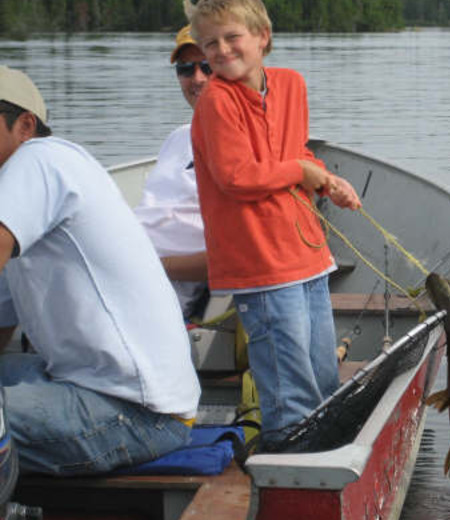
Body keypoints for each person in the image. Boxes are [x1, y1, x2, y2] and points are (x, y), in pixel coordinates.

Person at [0, 66, 201, 475]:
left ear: (24, 125)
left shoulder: (42, 158)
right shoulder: (18, 206)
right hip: (85, 385)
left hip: (139, 414)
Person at [188, 0, 361, 449]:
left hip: (308, 255)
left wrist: (327, 181)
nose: (221, 50)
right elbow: (237, 176)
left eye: (232, 37)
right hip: (260, 266)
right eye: (210, 43)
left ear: (262, 35)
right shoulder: (215, 102)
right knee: (288, 386)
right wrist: (302, 174)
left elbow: (295, 152)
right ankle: (291, 463)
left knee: (322, 373)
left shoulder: (291, 85)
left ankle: (323, 451)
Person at [133, 25, 211, 319]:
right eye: (186, 69)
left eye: (207, 66)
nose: (197, 78)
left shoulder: (241, 147)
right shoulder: (178, 137)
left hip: (152, 295)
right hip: (121, 259)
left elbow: (234, 258)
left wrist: (148, 264)